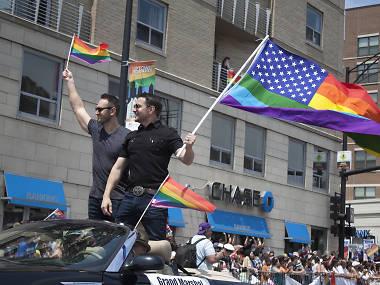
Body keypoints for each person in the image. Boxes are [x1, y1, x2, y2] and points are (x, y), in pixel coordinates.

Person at [101, 93, 196, 240]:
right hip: (129, 197)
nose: (134, 110)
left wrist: (189, 147)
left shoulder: (168, 133)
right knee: (118, 239)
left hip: (154, 200)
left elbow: (185, 159)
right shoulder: (131, 137)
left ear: (151, 109)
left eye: (138, 106)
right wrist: (106, 195)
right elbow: (117, 168)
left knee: (157, 244)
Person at [62, 68, 130, 222]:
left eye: (100, 109)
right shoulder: (96, 129)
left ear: (112, 111)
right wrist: (70, 81)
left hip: (117, 199)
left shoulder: (126, 136)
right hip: (95, 198)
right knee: (97, 242)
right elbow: (78, 108)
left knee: (115, 243)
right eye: (96, 109)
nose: (97, 112)